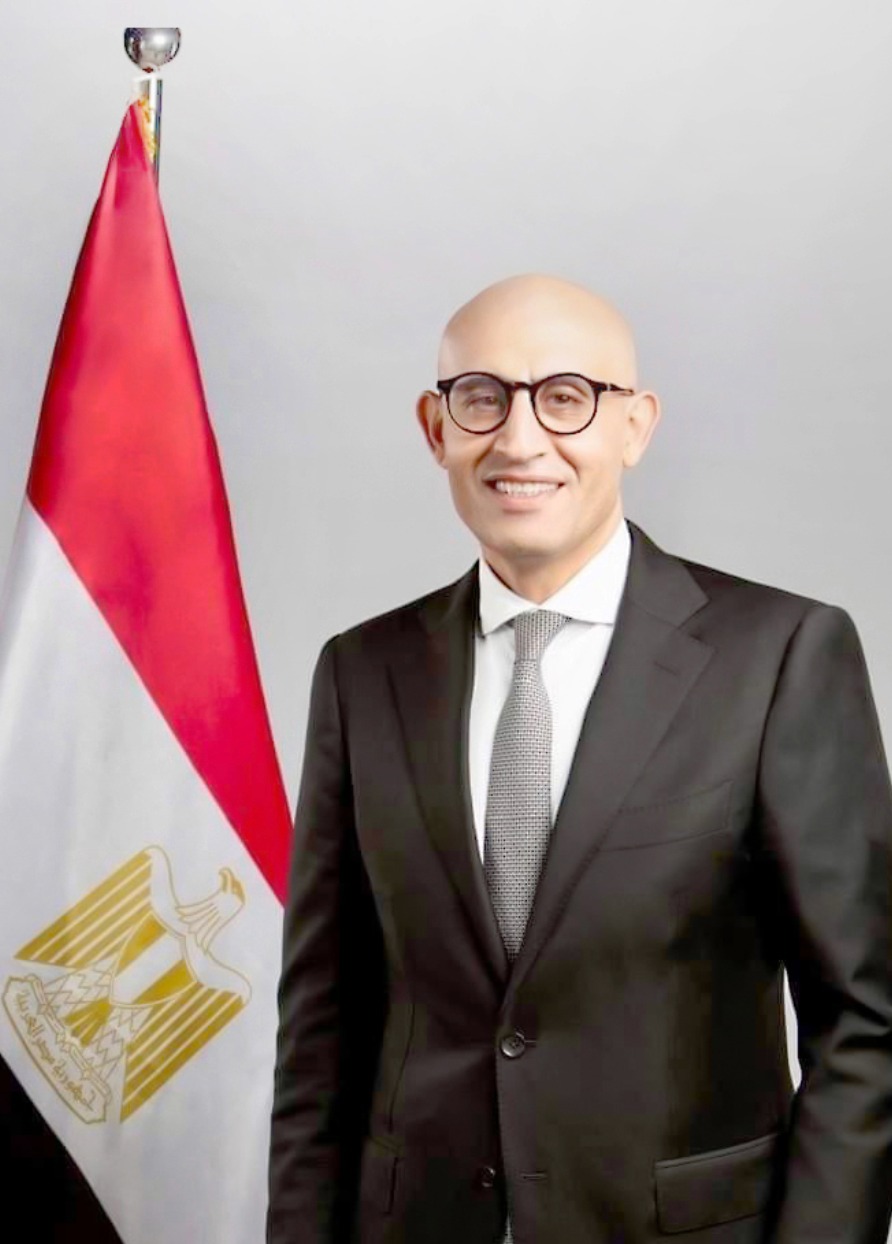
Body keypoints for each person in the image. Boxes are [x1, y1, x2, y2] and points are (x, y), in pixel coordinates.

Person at [267, 274, 892, 1244]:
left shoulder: (779, 656)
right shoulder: (362, 671)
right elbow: (322, 1025)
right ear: (436, 428)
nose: (520, 439)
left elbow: (865, 1028)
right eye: (482, 397)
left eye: (567, 397)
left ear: (635, 426)